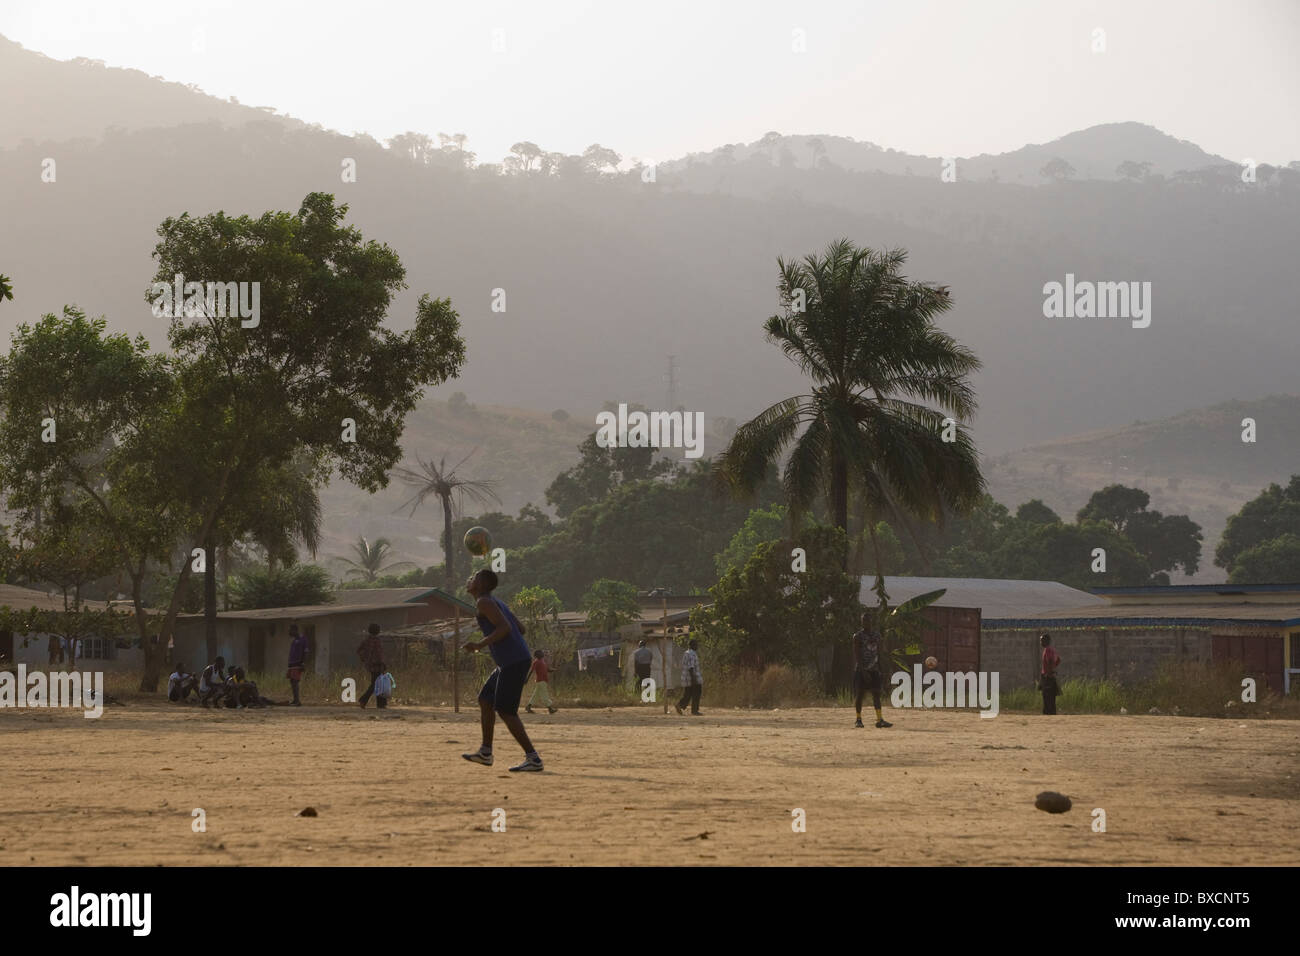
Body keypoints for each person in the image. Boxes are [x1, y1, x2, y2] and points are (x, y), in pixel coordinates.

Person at [461, 569, 544, 772]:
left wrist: (480, 644)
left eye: (473, 577)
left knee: (506, 710)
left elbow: (505, 628)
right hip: (511, 660)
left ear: (480, 584)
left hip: (513, 661)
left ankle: (533, 759)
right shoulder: (496, 602)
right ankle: (485, 752)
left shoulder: (484, 602)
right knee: (486, 699)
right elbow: (520, 628)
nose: (469, 579)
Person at [852, 611, 891, 729]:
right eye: (864, 620)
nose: (866, 622)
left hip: (874, 669)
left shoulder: (877, 636)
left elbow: (879, 654)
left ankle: (880, 720)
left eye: (868, 620)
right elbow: (857, 655)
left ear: (871, 621)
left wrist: (882, 670)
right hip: (861, 669)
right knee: (860, 695)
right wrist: (863, 671)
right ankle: (858, 719)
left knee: (876, 694)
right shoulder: (857, 636)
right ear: (861, 622)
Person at [357, 623, 385, 709]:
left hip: (370, 665)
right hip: (377, 665)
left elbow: (359, 650)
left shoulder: (366, 640)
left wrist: (365, 659)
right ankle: (363, 700)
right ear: (378, 631)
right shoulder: (377, 641)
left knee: (377, 683)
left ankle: (381, 704)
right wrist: (383, 664)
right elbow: (379, 654)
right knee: (376, 684)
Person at [525, 649, 557, 714]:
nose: (542, 653)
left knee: (536, 695)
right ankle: (550, 708)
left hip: (543, 681)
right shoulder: (536, 662)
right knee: (544, 695)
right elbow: (531, 670)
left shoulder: (542, 661)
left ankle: (528, 706)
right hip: (540, 680)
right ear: (537, 655)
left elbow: (547, 669)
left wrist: (552, 670)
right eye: (541, 653)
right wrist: (527, 679)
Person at [676, 639, 703, 716]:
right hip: (693, 677)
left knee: (688, 694)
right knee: (696, 693)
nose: (697, 646)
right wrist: (694, 679)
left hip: (687, 677)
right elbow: (691, 667)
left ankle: (680, 705)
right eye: (696, 644)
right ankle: (694, 710)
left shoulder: (687, 653)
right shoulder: (692, 654)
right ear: (692, 645)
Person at [1040, 632, 1062, 715]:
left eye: (1042, 640)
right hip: (1049, 676)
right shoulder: (1051, 650)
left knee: (1047, 698)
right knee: (1050, 698)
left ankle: (1048, 715)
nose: (1041, 642)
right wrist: (1053, 669)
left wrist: (1049, 672)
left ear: (1046, 641)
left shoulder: (1048, 650)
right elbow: (1058, 660)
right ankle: (1051, 714)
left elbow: (1050, 661)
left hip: (1047, 677)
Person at [287, 623, 308, 707]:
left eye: (290, 630)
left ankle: (297, 701)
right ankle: (295, 700)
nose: (289, 632)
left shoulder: (302, 639)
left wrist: (303, 663)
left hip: (297, 663)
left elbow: (306, 652)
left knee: (295, 681)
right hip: (292, 664)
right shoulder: (294, 640)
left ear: (295, 630)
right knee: (292, 681)